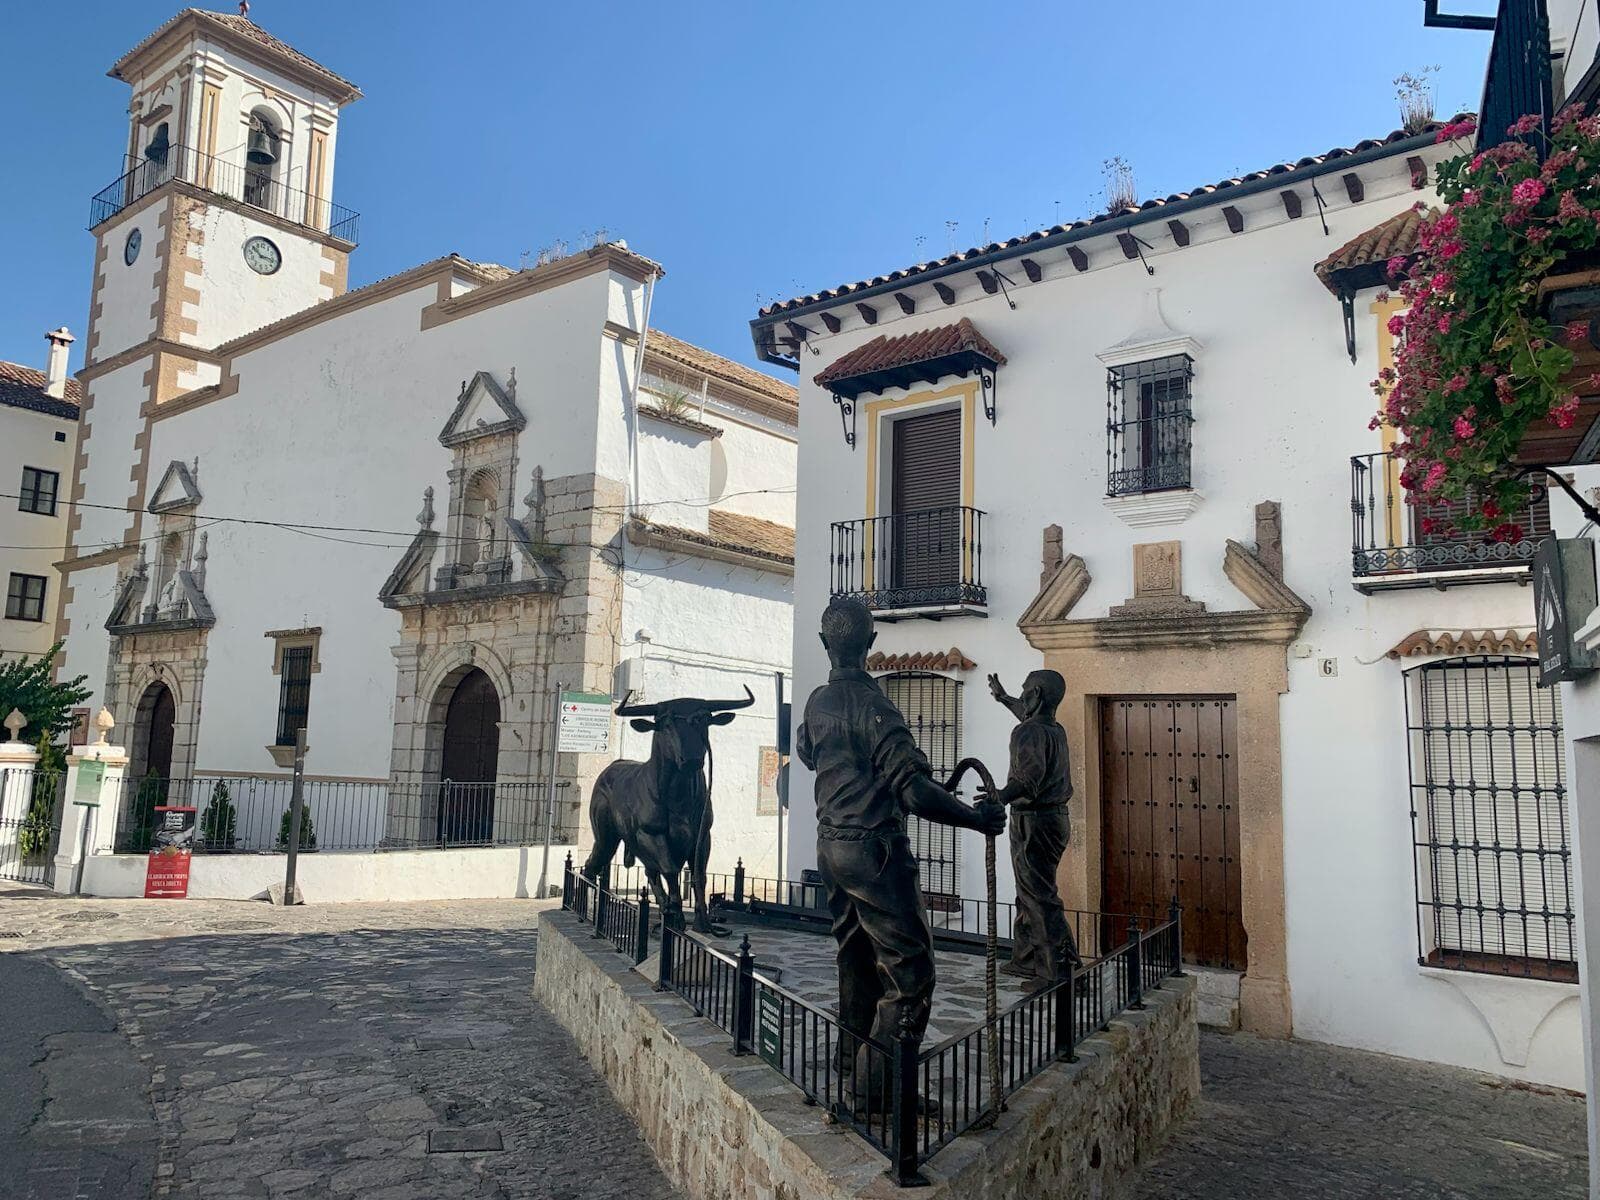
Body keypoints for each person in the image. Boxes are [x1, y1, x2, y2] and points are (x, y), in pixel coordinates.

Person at [795, 599, 1006, 1091]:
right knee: (911, 975)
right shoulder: (875, 708)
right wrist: (976, 819)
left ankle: (851, 1062)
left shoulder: (817, 701)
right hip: (874, 853)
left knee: (856, 959)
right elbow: (913, 792)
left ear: (825, 643)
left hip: (831, 848)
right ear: (871, 643)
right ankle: (875, 1092)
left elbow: (807, 752)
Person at [981, 669, 1079, 989]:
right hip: (1053, 820)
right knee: (1029, 891)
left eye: (1025, 690)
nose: (1022, 695)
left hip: (1033, 821)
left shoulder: (1028, 732)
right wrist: (1003, 698)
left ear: (1036, 694)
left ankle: (1058, 971)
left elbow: (1028, 779)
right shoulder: (1053, 729)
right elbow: (1027, 714)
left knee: (1039, 897)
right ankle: (1026, 958)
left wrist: (1000, 796)